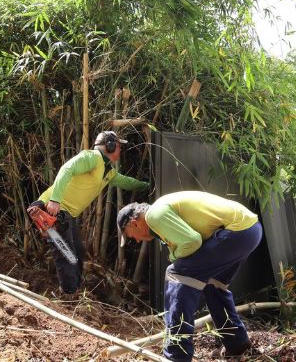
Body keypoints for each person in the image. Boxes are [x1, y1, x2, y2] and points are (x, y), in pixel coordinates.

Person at [117, 191, 262, 361]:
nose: (136, 240)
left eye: (131, 236)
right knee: (213, 285)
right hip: (250, 231)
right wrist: (176, 254)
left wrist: (174, 256)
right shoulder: (159, 215)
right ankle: (237, 344)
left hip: (236, 232)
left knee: (176, 274)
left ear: (135, 224)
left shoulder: (154, 216)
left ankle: (176, 355)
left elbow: (193, 242)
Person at [28, 131, 149, 294]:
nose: (120, 150)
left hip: (67, 213)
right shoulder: (93, 157)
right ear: (109, 145)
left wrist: (147, 186)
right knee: (67, 254)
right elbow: (67, 168)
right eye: (118, 146)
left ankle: (74, 291)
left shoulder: (109, 172)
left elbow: (128, 182)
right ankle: (68, 295)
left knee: (77, 252)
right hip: (52, 209)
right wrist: (55, 199)